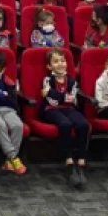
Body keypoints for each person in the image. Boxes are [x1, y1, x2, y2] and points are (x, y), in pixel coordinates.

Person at [40, 49, 89, 189]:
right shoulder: (47, 79)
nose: (60, 64)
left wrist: (57, 95)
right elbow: (51, 100)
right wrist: (62, 96)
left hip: (68, 108)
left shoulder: (71, 80)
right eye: (56, 61)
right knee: (65, 124)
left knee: (83, 124)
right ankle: (68, 160)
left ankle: (81, 160)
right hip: (51, 110)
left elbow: (72, 98)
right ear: (49, 66)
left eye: (62, 61)